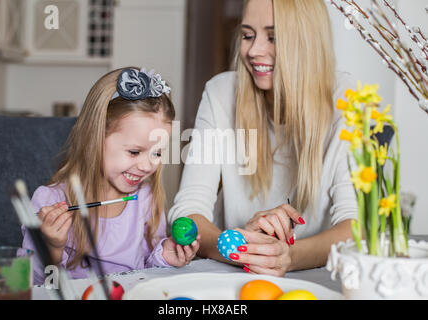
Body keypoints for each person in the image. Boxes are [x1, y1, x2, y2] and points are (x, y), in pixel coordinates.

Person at [168, 0, 357, 276]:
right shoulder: (220, 93)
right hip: (229, 276)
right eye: (247, 35)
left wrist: (287, 257)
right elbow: (189, 211)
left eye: (274, 37)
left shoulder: (348, 100)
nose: (254, 50)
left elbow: (356, 229)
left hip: (314, 283)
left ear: (307, 41)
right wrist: (243, 247)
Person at [21, 68, 200, 285]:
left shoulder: (146, 199)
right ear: (94, 139)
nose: (146, 165)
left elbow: (148, 271)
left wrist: (165, 256)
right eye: (134, 152)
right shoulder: (48, 203)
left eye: (157, 153)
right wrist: (51, 247)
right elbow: (32, 284)